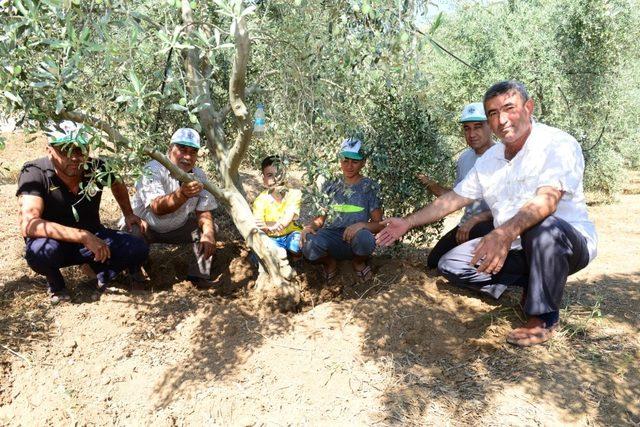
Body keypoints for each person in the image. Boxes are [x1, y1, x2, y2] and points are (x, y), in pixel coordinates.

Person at [377, 80, 597, 346]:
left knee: (543, 226)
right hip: (514, 247)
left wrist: (502, 234)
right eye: (493, 113)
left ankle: (543, 317)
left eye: (509, 108)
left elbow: (546, 200)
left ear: (528, 107)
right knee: (452, 264)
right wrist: (407, 223)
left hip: (564, 245)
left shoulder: (557, 144)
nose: (501, 119)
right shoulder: (490, 160)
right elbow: (453, 199)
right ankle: (533, 279)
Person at [17, 121, 149, 304]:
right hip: (55, 244)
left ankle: (99, 272)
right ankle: (56, 285)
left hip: (94, 240)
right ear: (49, 150)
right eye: (65, 150)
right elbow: (29, 225)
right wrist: (83, 236)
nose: (74, 157)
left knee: (138, 248)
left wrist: (129, 214)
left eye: (80, 149)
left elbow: (117, 183)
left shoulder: (96, 168)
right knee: (40, 252)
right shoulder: (34, 172)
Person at [127, 128, 218, 289]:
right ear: (170, 149)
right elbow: (157, 207)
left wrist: (209, 233)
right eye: (182, 150)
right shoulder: (152, 169)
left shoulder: (199, 176)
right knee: (133, 231)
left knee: (209, 228)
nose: (187, 157)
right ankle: (136, 276)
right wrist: (182, 194)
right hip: (146, 227)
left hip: (177, 227)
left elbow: (203, 211)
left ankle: (198, 276)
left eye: (193, 152)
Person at [418, 102, 495, 268]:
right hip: (466, 225)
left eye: (478, 127)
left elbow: (510, 207)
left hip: (493, 226)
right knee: (433, 262)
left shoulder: (503, 157)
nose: (472, 134)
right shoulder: (464, 158)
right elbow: (456, 196)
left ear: (491, 125)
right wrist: (428, 183)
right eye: (467, 128)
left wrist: (476, 219)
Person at [301, 138, 384, 281]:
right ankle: (330, 262)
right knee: (308, 243)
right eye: (345, 160)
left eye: (355, 161)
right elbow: (321, 218)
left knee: (366, 239)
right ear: (340, 160)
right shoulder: (330, 184)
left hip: (356, 240)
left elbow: (379, 224)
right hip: (331, 238)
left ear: (363, 163)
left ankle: (358, 262)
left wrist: (361, 225)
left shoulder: (369, 187)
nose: (349, 166)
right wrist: (310, 227)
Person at [251, 156, 303, 263]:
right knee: (259, 256)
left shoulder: (294, 194)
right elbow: (261, 226)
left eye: (279, 174)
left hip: (291, 233)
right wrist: (267, 228)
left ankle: (296, 256)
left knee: (297, 245)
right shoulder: (260, 201)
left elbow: (288, 217)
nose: (275, 179)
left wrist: (270, 226)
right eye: (270, 175)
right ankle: (281, 255)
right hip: (271, 238)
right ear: (263, 178)